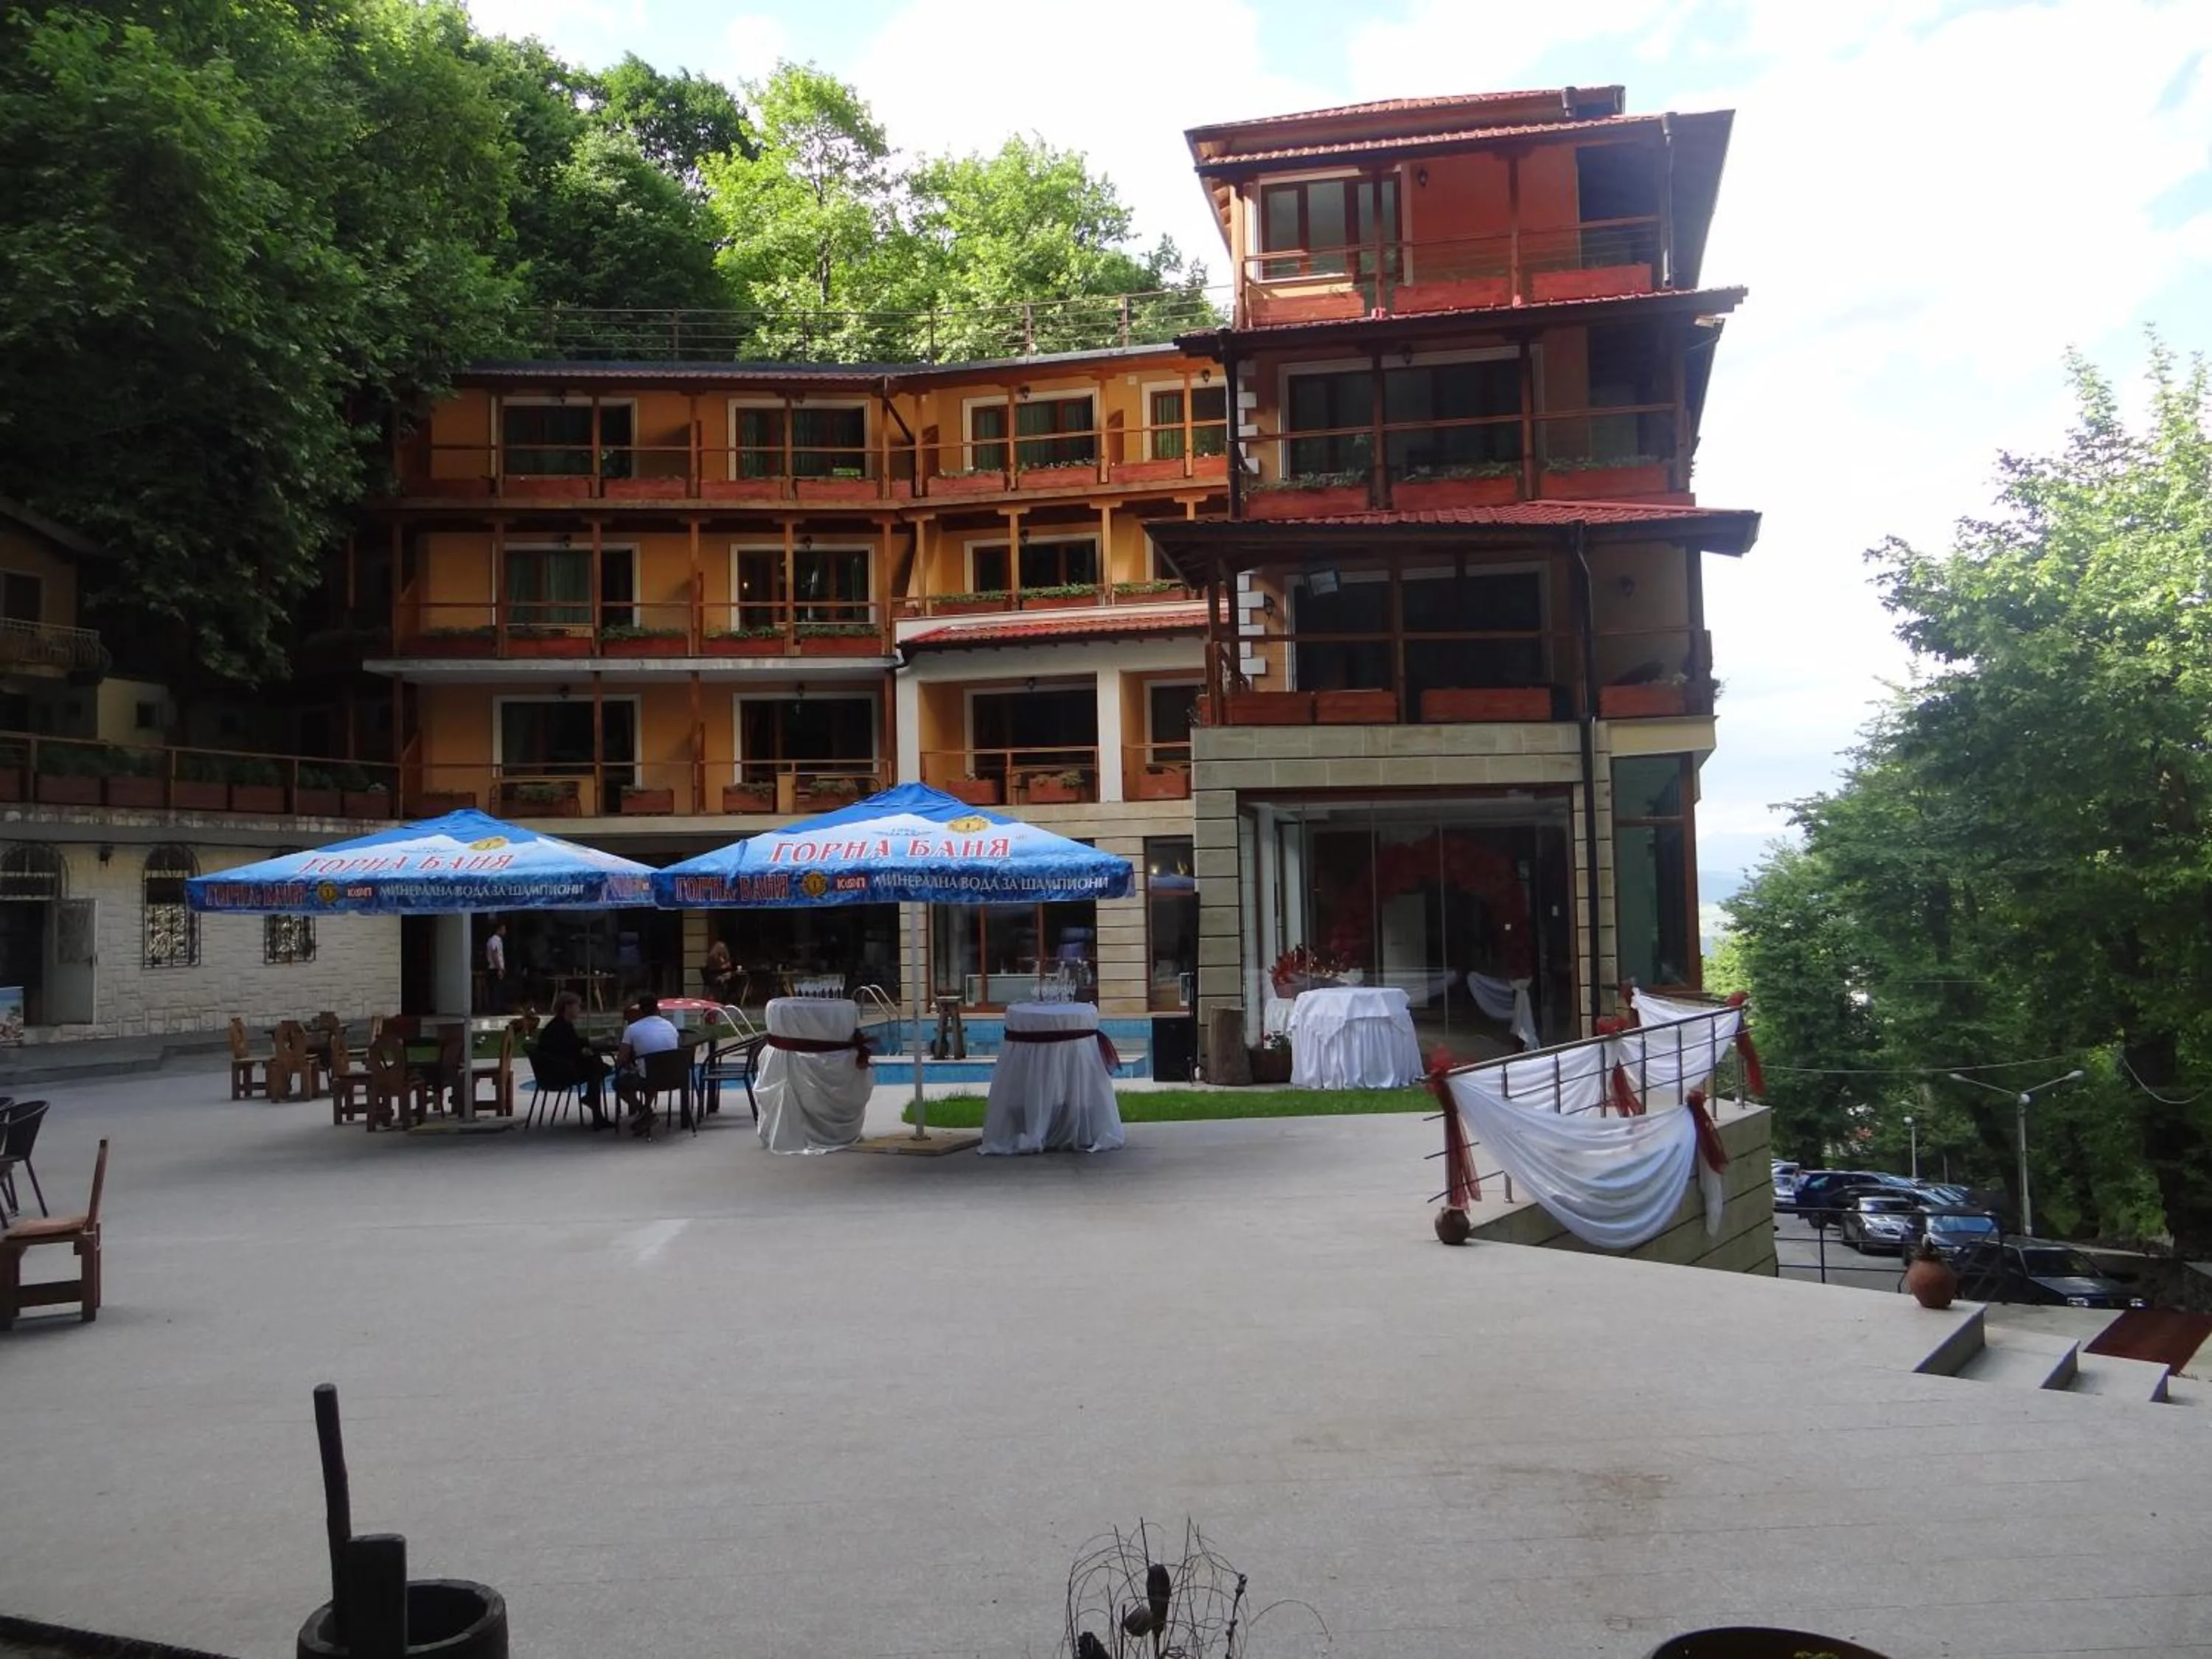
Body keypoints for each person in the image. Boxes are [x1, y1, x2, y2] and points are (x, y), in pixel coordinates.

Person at [537, 992, 609, 1127]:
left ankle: (594, 1105)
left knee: (597, 1065)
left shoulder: (562, 1025)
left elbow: (572, 1045)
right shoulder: (559, 1027)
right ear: (568, 1007)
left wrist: (583, 1051)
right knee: (598, 1067)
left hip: (559, 1066)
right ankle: (595, 1109)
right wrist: (584, 1050)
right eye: (578, 1006)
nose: (579, 1010)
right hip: (557, 1072)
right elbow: (570, 1046)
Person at [614, 994, 682, 1136]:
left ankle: (644, 1111)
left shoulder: (632, 1029)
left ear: (640, 1010)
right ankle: (645, 1111)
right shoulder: (670, 1026)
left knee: (619, 1084)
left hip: (649, 1077)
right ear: (657, 1007)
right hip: (674, 1077)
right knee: (651, 1072)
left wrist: (629, 1063)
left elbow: (620, 1060)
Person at [484, 921, 509, 1013]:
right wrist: (499, 969)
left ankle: (499, 1008)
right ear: (498, 930)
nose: (505, 931)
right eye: (503, 929)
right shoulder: (494, 940)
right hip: (494, 968)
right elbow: (495, 954)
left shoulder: (498, 940)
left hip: (498, 967)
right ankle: (495, 1009)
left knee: (499, 989)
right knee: (495, 989)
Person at [703, 939, 735, 1004]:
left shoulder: (722, 957)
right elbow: (715, 969)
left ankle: (728, 998)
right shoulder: (712, 957)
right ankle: (726, 999)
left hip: (719, 975)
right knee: (730, 979)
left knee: (731, 977)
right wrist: (725, 967)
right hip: (713, 977)